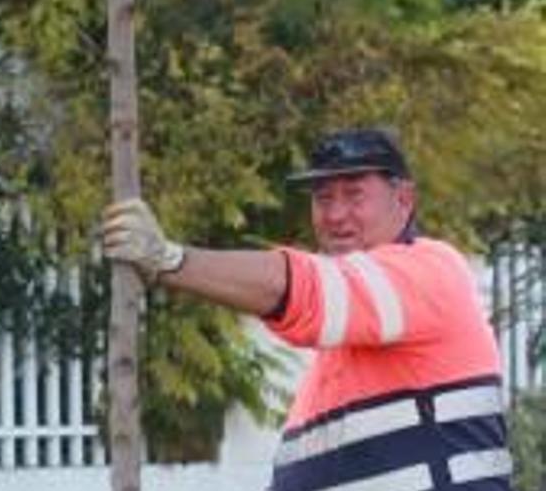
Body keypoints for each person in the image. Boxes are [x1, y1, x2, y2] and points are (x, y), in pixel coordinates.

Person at [102, 128, 512, 490]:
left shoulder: (430, 270)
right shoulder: (348, 344)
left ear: (403, 200)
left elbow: (307, 289)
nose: (334, 215)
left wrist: (171, 260)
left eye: (354, 195)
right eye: (322, 198)